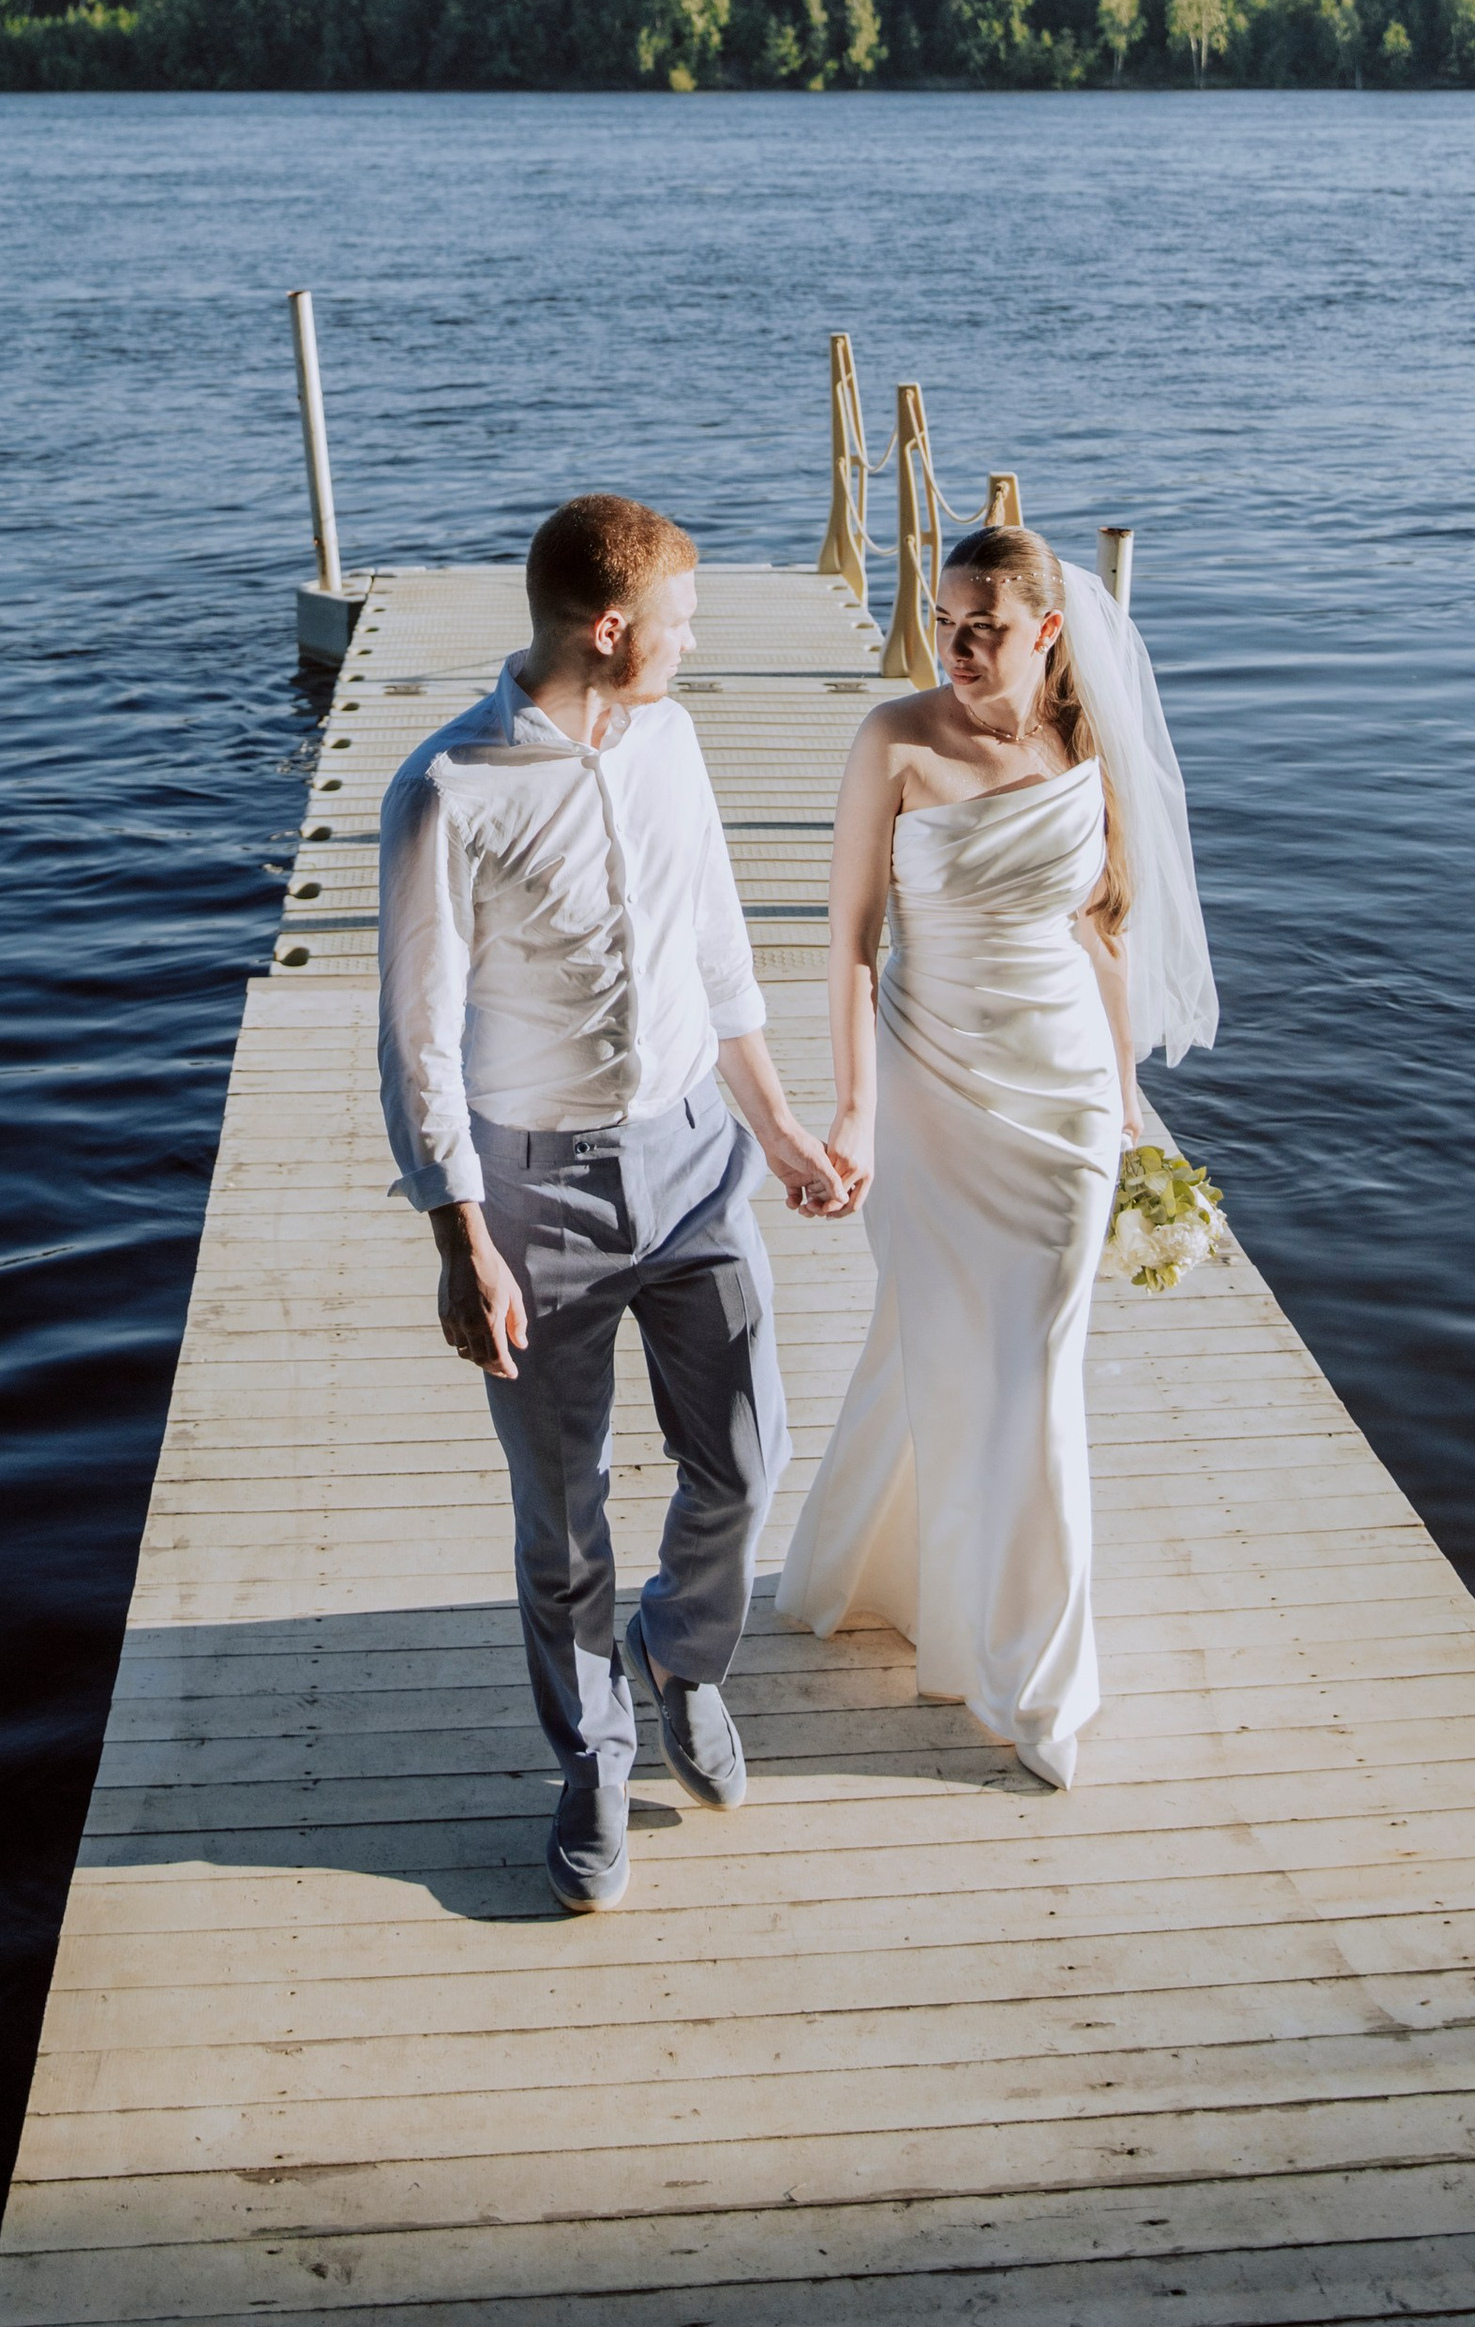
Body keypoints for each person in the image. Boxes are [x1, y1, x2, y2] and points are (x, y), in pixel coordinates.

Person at [377, 492, 847, 1914]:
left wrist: (780, 1128)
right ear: (607, 627)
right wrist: (461, 1237)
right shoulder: (447, 792)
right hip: (538, 1191)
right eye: (680, 624)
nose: (693, 646)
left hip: (697, 1158)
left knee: (747, 1458)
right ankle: (591, 1757)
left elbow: (717, 948)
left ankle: (683, 1656)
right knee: (562, 1513)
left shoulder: (672, 742)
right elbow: (415, 1043)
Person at [775, 523, 1217, 1788]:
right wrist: (851, 1112)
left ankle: (1034, 1674)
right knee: (930, 1333)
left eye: (984, 628)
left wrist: (1125, 1104)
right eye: (943, 622)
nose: (957, 649)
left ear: (1047, 630)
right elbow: (850, 943)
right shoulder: (893, 740)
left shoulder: (1085, 741)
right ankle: (891, 1573)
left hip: (1064, 1097)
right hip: (931, 1083)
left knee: (1034, 1366)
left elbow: (1104, 929)